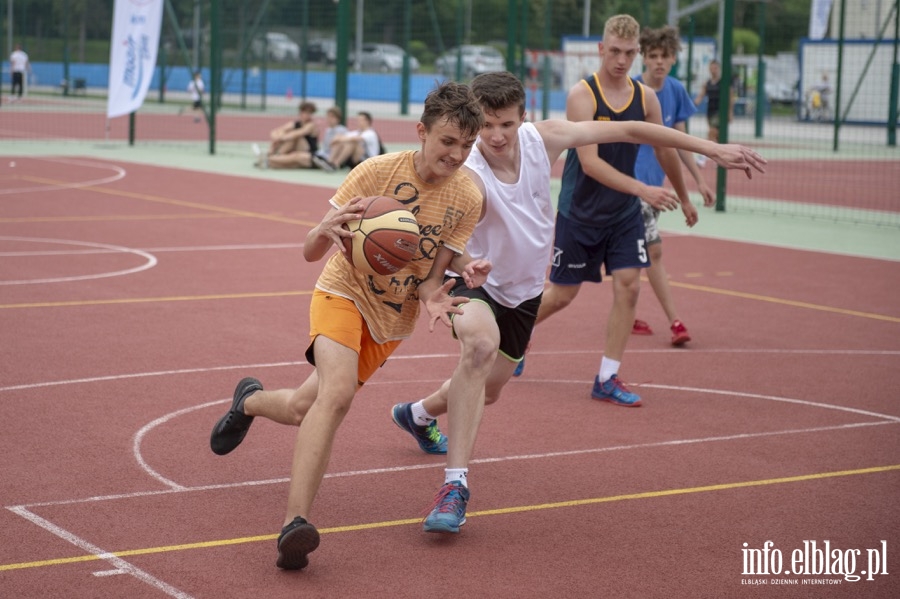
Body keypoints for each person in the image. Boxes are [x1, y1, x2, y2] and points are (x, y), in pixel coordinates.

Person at [390, 70, 765, 533]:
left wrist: (711, 148)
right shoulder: (466, 168)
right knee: (479, 349)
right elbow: (431, 211)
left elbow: (630, 129)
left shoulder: (542, 139)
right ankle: (456, 486)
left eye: (505, 123)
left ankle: (419, 413)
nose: (495, 135)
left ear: (522, 118)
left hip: (524, 292)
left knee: (488, 388)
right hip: (473, 282)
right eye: (485, 125)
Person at [208, 81, 486, 571]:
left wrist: (440, 291)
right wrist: (319, 232)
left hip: (392, 318)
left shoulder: (466, 195)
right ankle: (295, 525)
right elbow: (312, 251)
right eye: (447, 140)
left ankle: (248, 400)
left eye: (467, 145)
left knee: (300, 407)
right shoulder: (376, 172)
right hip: (342, 291)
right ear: (422, 132)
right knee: (336, 395)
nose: (457, 153)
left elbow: (429, 277)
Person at [516, 14, 722, 405]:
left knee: (629, 287)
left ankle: (607, 377)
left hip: (623, 214)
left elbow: (664, 148)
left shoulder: (645, 97)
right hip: (581, 212)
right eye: (615, 51)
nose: (622, 60)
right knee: (561, 295)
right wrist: (644, 189)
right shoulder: (583, 95)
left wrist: (686, 194)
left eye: (630, 53)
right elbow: (590, 163)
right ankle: (520, 334)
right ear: (601, 49)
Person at [632, 25, 715, 345]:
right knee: (653, 251)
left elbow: (679, 142)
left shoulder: (676, 91)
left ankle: (627, 311)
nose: (659, 62)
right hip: (633, 186)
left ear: (673, 59)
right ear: (644, 58)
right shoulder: (633, 91)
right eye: (652, 56)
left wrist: (699, 182)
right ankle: (675, 321)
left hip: (658, 187)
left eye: (665, 56)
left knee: (629, 256)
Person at [253, 101, 320, 169]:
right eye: (306, 113)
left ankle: (270, 157)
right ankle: (272, 158)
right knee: (284, 164)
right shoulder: (295, 123)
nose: (308, 115)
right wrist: (278, 137)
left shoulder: (311, 125)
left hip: (307, 153)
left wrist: (280, 138)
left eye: (310, 113)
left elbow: (297, 134)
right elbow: (275, 131)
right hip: (295, 151)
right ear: (301, 112)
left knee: (294, 137)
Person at [312, 111, 383, 171]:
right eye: (358, 120)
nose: (358, 122)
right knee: (341, 141)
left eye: (361, 120)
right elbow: (345, 136)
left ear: (367, 121)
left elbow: (355, 138)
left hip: (369, 161)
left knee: (352, 142)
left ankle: (336, 164)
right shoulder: (358, 132)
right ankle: (330, 162)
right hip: (357, 160)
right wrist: (337, 138)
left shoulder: (371, 133)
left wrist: (340, 139)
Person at [693, 59, 733, 165]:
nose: (713, 70)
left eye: (715, 68)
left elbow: (730, 98)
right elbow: (700, 96)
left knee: (711, 132)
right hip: (710, 111)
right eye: (711, 68)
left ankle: (702, 157)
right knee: (718, 137)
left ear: (718, 68)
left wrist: (730, 112)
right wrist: (693, 104)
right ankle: (722, 158)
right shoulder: (707, 83)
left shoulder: (724, 82)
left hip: (720, 112)